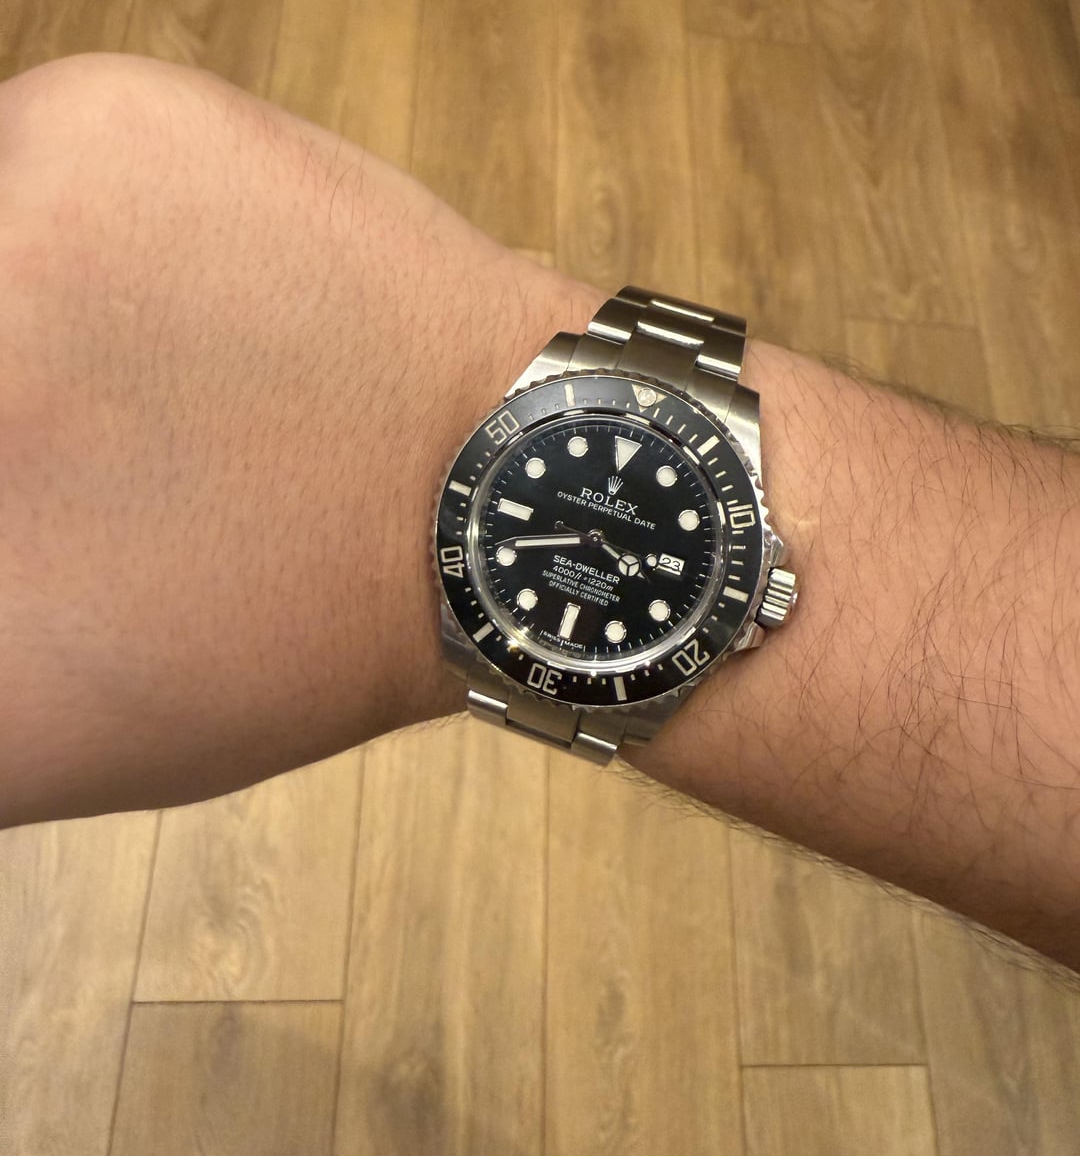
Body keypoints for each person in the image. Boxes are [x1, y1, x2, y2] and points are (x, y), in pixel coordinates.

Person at [1, 52, 1078, 972]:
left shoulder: (692, 593)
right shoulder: (571, 461)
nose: (595, 537)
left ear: (761, 593)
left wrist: (425, 423)